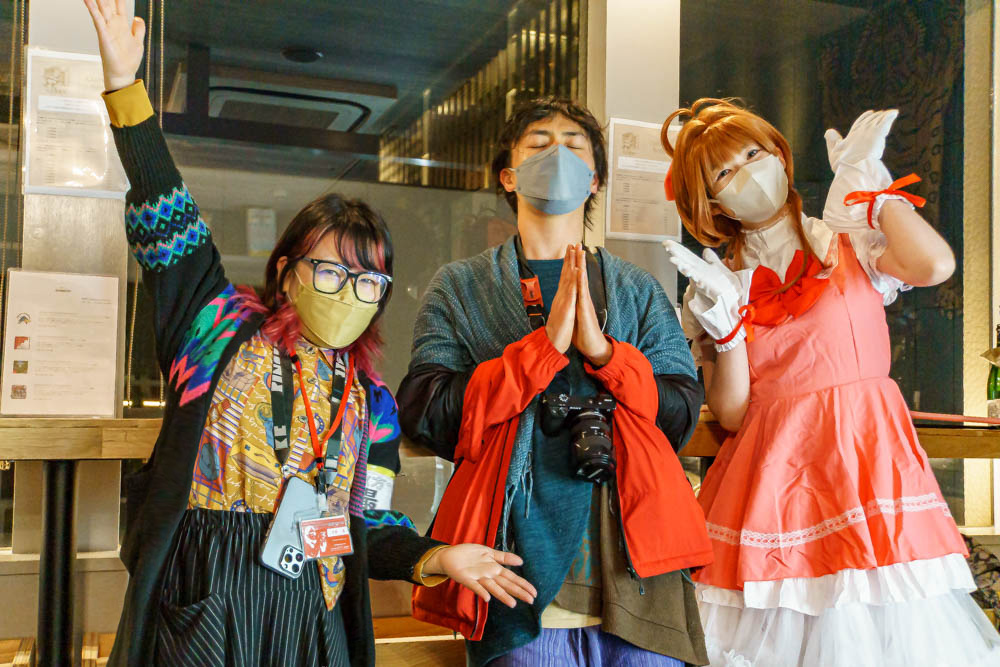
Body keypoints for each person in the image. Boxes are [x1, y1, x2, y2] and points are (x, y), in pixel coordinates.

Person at [82, 1, 537, 665]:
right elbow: (166, 214)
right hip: (208, 587)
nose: (349, 291)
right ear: (286, 273)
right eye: (330, 270)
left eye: (368, 281)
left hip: (310, 604)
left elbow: (369, 520)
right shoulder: (214, 324)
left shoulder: (371, 402)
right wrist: (126, 89)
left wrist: (436, 556)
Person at [662, 99, 1000, 665]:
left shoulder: (845, 239)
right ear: (709, 201)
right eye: (724, 171)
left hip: (865, 463)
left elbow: (933, 266)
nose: (747, 172)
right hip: (773, 478)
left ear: (779, 154)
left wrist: (871, 188)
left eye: (754, 153)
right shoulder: (716, 281)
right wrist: (726, 333)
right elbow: (735, 413)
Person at [397, 97, 712, 666]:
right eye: (539, 145)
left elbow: (680, 415)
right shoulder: (459, 287)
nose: (557, 155)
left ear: (595, 180)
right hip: (513, 573)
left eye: (573, 146)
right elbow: (427, 412)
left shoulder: (637, 289)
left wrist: (605, 354)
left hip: (639, 573)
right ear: (508, 176)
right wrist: (538, 353)